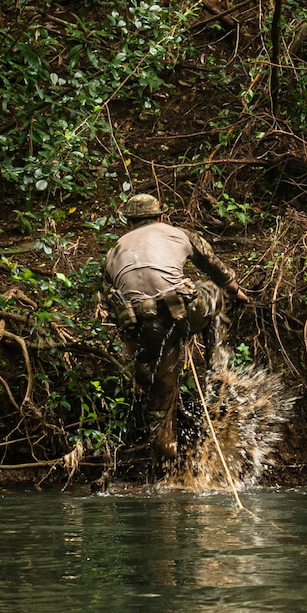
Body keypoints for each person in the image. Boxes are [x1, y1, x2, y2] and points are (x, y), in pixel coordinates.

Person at [101, 193, 245, 458]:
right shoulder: (178, 233)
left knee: (161, 404)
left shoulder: (113, 252)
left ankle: (166, 460)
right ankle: (217, 367)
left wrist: (135, 357)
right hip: (183, 312)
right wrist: (234, 289)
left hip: (147, 331)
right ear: (160, 216)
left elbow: (116, 307)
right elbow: (213, 266)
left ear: (128, 221)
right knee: (213, 292)